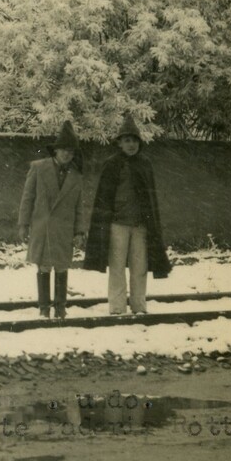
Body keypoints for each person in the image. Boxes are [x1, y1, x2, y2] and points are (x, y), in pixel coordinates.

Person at [84, 115, 171, 315]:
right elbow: (104, 197)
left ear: (139, 143)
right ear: (120, 143)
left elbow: (150, 199)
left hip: (140, 226)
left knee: (139, 267)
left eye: (134, 141)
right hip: (118, 225)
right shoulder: (112, 164)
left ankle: (139, 306)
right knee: (116, 268)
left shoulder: (145, 164)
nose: (131, 145)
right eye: (127, 140)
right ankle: (117, 308)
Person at [18, 120, 85, 319]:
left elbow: (79, 207)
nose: (67, 154)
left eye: (71, 151)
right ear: (55, 150)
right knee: (44, 266)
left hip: (64, 229)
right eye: (63, 149)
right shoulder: (38, 168)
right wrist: (23, 224)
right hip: (43, 227)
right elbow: (27, 198)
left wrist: (80, 231)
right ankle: (44, 308)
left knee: (62, 266)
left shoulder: (76, 176)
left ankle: (60, 307)